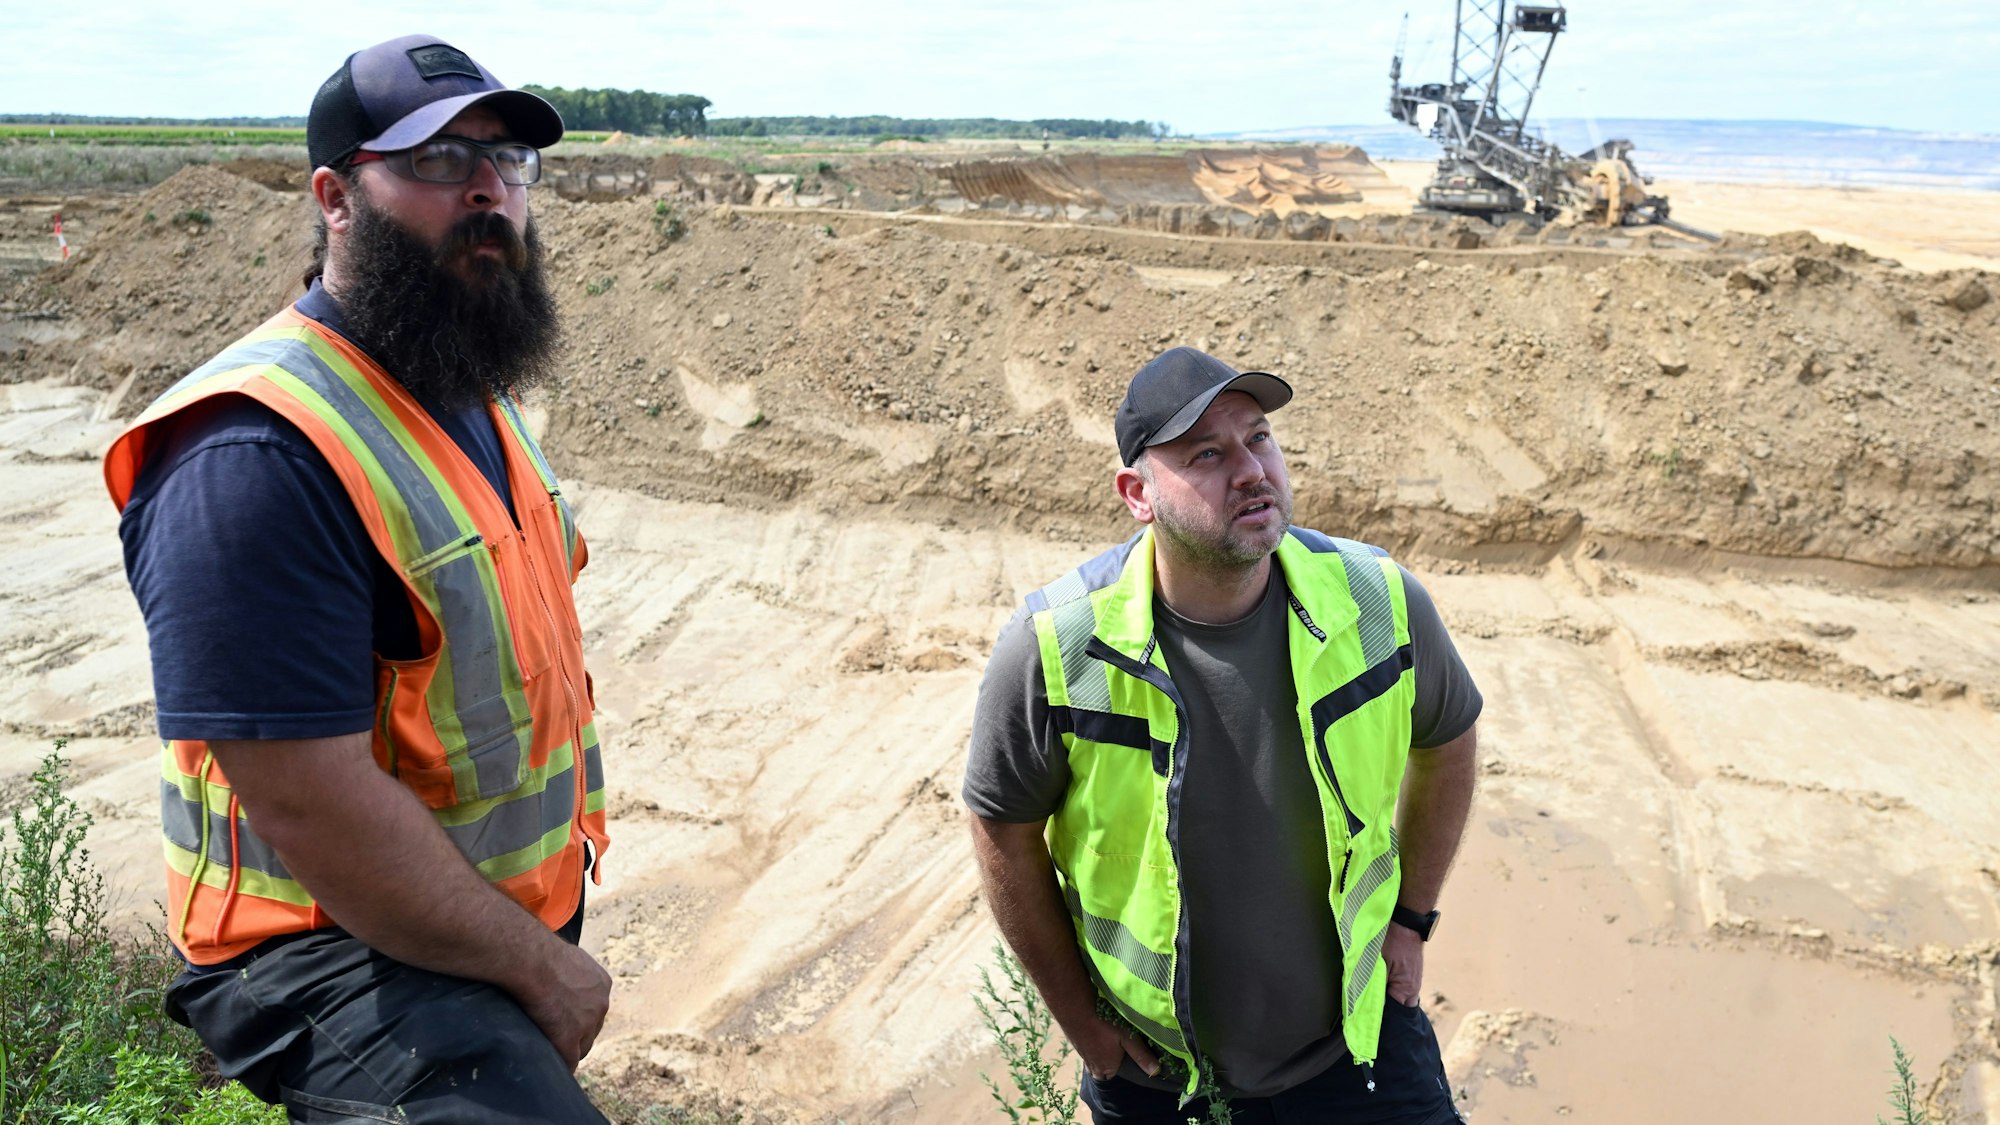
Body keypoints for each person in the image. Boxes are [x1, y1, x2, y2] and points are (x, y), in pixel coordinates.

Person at [105, 35, 613, 1123]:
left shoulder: (459, 388)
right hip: (319, 949)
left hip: (461, 918)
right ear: (336, 197)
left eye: (506, 158)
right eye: (433, 161)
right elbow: (301, 793)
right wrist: (536, 965)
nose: (486, 188)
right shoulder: (257, 451)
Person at [964, 347, 1482, 1123]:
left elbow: (1449, 740)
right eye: (1206, 453)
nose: (1250, 469)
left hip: (1359, 1049)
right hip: (1157, 1075)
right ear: (1137, 494)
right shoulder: (1055, 646)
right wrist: (1084, 1027)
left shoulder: (1378, 598)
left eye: (1259, 437)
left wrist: (1411, 918)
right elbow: (1001, 829)